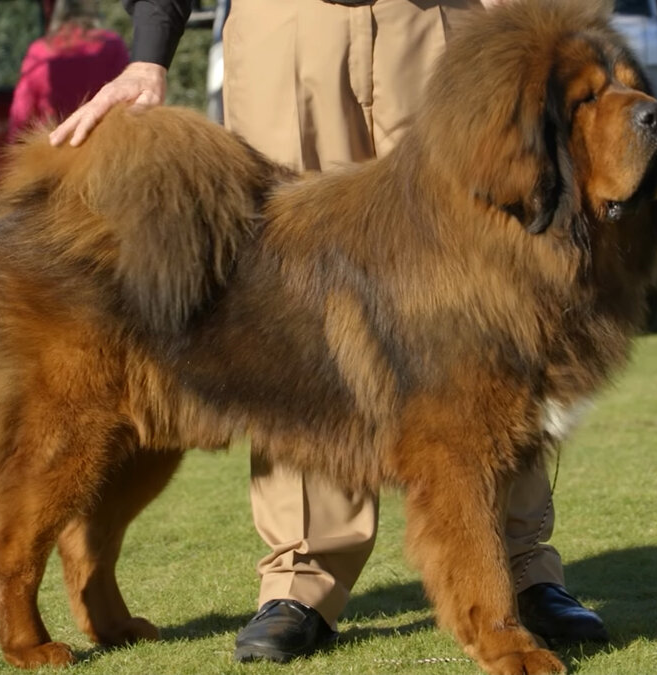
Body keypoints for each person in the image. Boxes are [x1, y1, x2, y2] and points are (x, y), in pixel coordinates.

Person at [51, 0, 609, 663]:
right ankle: (300, 580)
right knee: (294, 301)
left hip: (442, 23)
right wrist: (149, 52)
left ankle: (523, 569)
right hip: (287, 27)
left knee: (498, 289)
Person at [8, 0, 130, 141]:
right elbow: (126, 98)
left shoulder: (40, 51)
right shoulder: (113, 45)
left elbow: (21, 115)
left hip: (54, 148)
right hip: (103, 144)